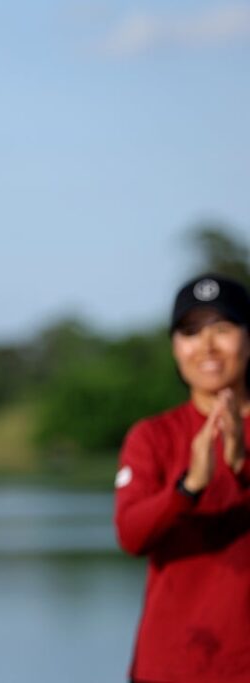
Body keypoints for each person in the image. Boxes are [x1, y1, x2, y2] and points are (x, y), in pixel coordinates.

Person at [115, 273, 250, 683]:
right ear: (175, 348)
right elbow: (131, 536)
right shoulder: (153, 435)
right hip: (171, 666)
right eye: (191, 332)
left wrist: (242, 467)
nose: (206, 347)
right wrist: (189, 486)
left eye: (222, 329)